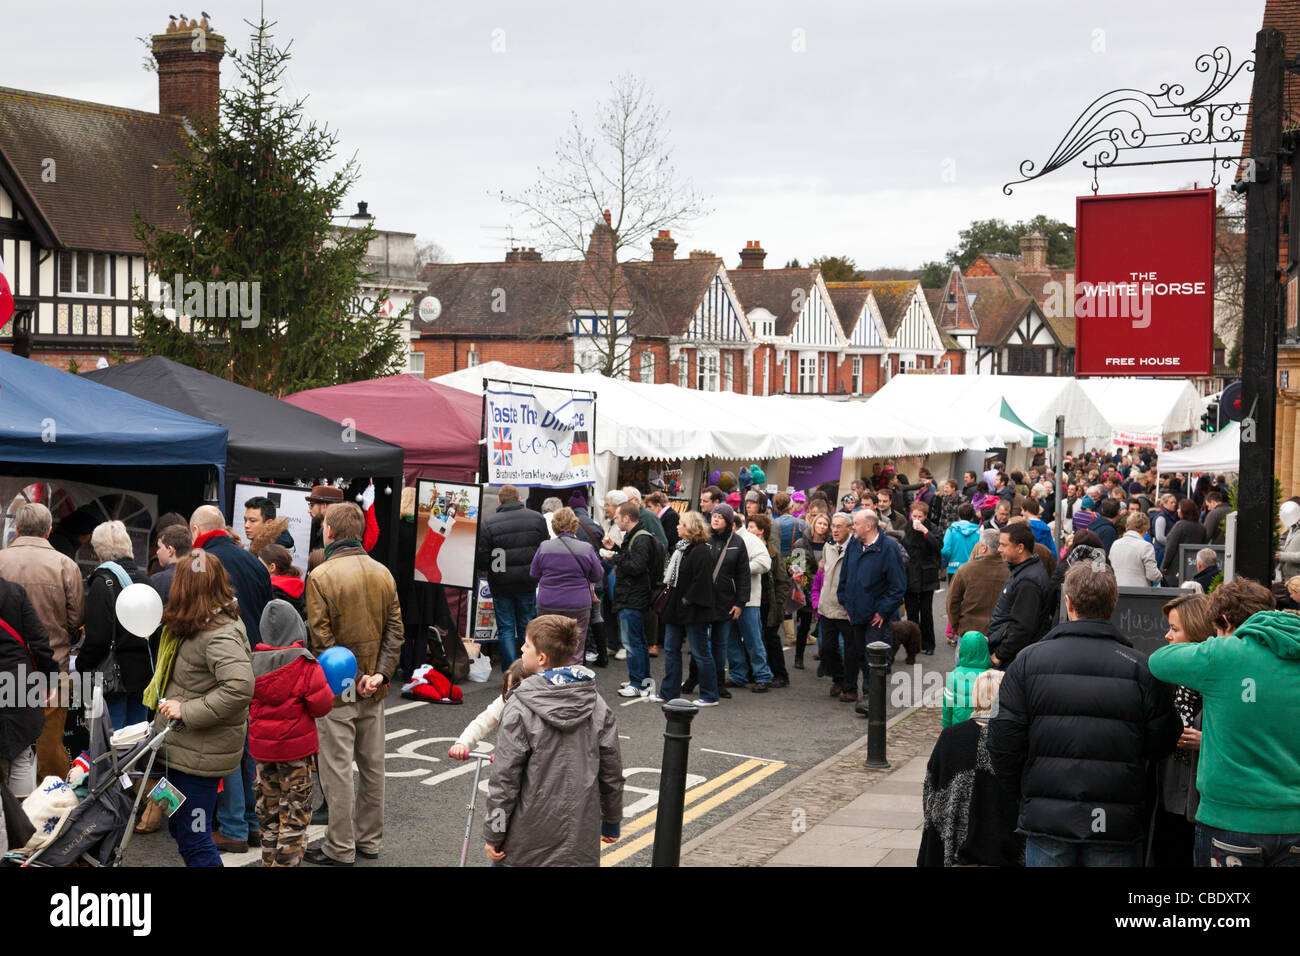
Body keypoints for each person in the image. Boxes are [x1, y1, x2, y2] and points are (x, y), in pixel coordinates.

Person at [988, 561, 1182, 867]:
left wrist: (1026, 792)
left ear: (1068, 602)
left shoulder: (1028, 661)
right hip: (1115, 818)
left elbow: (1002, 741)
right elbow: (1163, 739)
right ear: (1113, 603)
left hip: (1048, 816)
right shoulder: (1141, 668)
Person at [1148, 578, 1300, 867]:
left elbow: (1159, 661)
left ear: (1226, 622)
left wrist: (1217, 644)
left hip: (1231, 820)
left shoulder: (1223, 655)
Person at [303, 502, 405, 866]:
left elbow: (321, 638)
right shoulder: (383, 573)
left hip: (338, 687)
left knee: (337, 769)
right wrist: (379, 675)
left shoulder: (321, 576)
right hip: (375, 685)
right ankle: (369, 841)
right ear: (359, 532)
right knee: (373, 766)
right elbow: (396, 631)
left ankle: (340, 847)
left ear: (329, 531)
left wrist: (356, 678)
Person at [483, 615, 624, 866]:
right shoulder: (596, 703)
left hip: (524, 840)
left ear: (541, 658)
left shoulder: (519, 705)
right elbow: (611, 770)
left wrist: (494, 832)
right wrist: (611, 821)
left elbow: (504, 778)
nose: (521, 649)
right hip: (579, 838)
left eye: (526, 645)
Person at [151, 551, 255, 867]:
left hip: (200, 755)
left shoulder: (218, 633)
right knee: (181, 831)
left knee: (196, 842)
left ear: (184, 587)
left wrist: (188, 710)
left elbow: (240, 687)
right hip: (182, 750)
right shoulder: (196, 624)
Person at [191, 505, 272, 849]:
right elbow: (267, 607)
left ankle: (234, 826)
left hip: (221, 659)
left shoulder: (200, 560)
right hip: (256, 655)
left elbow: (193, 609)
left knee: (227, 745)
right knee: (247, 744)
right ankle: (252, 822)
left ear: (196, 530)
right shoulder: (253, 559)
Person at [0, 502, 84, 782]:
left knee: (7, 750)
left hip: (5, 669)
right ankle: (48, 813)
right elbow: (76, 620)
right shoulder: (65, 565)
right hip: (52, 668)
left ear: (18, 529)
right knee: (48, 749)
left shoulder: (1, 560)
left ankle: (12, 814)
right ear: (49, 530)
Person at [249, 599, 334, 867]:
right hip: (296, 755)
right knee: (294, 815)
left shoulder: (252, 664)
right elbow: (321, 706)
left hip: (263, 753)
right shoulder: (306, 665)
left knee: (269, 813)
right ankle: (285, 864)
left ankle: (268, 861)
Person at [919, 669, 1024, 867]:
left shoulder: (951, 736)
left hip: (956, 845)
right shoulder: (1017, 737)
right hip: (1006, 845)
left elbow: (931, 791)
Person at [1149, 593, 1216, 868]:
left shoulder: (1222, 684)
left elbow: (1249, 740)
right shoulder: (1166, 679)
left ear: (1198, 632)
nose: (1167, 636)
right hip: (1166, 801)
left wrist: (1208, 742)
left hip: (1206, 807)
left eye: (1175, 629)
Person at [80, 520, 153, 730]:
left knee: (111, 747)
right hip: (143, 676)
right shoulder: (145, 580)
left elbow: (97, 639)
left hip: (112, 680)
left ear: (99, 552)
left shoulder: (103, 583)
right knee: (136, 746)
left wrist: (83, 665)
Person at [837, 509, 906, 713]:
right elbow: (845, 577)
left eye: (856, 524)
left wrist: (883, 612)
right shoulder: (854, 546)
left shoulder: (889, 548)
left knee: (874, 659)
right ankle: (866, 694)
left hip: (877, 617)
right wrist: (846, 603)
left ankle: (871, 699)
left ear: (869, 526)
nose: (852, 528)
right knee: (860, 655)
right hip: (855, 612)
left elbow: (898, 586)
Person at [476, 485, 548, 669]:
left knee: (506, 627)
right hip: (527, 581)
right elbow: (544, 549)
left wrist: (490, 570)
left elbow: (483, 558)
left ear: (499, 501)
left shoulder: (489, 524)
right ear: (518, 499)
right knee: (527, 625)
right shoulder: (537, 519)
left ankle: (511, 670)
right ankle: (529, 665)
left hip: (501, 583)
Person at [0, 574, 56, 801]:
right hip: (18, 682)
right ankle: (20, 824)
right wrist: (48, 679)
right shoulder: (13, 593)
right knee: (21, 754)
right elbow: (39, 640)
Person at [658, 512, 722, 705]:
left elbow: (701, 582)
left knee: (700, 652)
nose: (677, 527)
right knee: (671, 649)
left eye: (681, 524)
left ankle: (710, 695)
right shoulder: (680, 548)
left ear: (690, 528)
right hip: (676, 609)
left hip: (694, 610)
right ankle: (668, 692)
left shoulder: (701, 551)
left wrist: (686, 600)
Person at [530, 507, 603, 666]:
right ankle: (571, 684)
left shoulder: (544, 547)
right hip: (577, 603)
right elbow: (597, 574)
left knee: (547, 643)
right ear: (574, 525)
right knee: (575, 647)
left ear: (555, 526)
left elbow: (533, 574)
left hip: (548, 602)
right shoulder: (586, 548)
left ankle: (549, 682)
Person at [608, 501, 664, 698]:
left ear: (626, 518)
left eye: (617, 517)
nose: (615, 521)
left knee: (632, 642)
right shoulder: (637, 536)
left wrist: (614, 558)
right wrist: (616, 549)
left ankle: (638, 683)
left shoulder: (639, 539)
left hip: (632, 596)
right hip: (635, 595)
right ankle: (642, 680)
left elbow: (637, 566)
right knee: (638, 641)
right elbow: (634, 561)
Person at [694, 504, 749, 700]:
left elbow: (744, 575)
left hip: (725, 601)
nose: (715, 519)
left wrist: (740, 603)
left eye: (720, 517)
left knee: (720, 644)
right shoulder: (704, 538)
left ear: (728, 521)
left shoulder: (738, 543)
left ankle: (718, 682)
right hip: (703, 599)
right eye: (713, 516)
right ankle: (694, 677)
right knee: (699, 641)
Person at [985, 523, 1053, 669]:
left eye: (1004, 545)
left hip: (1013, 660)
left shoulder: (1028, 581)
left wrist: (999, 655)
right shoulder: (1023, 572)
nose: (999, 549)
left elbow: (1022, 627)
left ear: (1020, 548)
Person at [727, 509, 774, 692]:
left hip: (749, 600)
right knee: (731, 640)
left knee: (753, 640)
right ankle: (738, 675)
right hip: (727, 599)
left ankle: (762, 675)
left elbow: (764, 563)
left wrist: (741, 569)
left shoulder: (750, 540)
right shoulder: (725, 539)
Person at [449, 660, 528, 759]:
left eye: (516, 688)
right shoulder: (506, 701)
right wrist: (462, 743)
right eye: (508, 687)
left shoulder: (541, 707)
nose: (511, 693)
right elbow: (483, 721)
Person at [748, 514, 791, 688]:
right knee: (753, 638)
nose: (748, 530)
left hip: (769, 602)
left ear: (761, 531)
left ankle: (781, 674)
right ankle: (754, 672)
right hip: (753, 600)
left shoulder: (773, 553)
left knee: (771, 638)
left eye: (751, 527)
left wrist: (779, 602)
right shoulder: (748, 547)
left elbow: (782, 581)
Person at [812, 512, 853, 696]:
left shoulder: (856, 548)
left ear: (849, 529)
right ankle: (839, 678)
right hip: (827, 606)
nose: (835, 530)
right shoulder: (828, 545)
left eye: (839, 526)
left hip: (846, 609)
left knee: (851, 650)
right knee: (827, 648)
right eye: (833, 526)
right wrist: (818, 601)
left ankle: (850, 687)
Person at [946, 529, 1010, 642]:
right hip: (999, 633)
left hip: (969, 631)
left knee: (967, 659)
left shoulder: (965, 570)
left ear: (984, 548)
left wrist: (957, 627)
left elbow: (952, 602)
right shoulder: (1010, 572)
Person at [902, 501, 941, 655]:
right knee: (911, 612)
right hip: (910, 573)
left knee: (926, 612)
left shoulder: (932, 528)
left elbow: (938, 546)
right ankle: (914, 645)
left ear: (925, 516)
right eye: (914, 515)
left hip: (927, 574)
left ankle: (929, 644)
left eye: (919, 516)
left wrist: (925, 531)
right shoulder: (906, 527)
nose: (916, 519)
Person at [790, 513, 829, 667]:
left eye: (825, 524)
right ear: (814, 524)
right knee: (804, 623)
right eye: (819, 523)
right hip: (806, 586)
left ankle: (825, 659)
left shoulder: (830, 543)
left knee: (825, 624)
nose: (822, 526)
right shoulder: (801, 542)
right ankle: (798, 657)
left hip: (825, 587)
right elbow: (795, 565)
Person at [942, 630, 992, 728]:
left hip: (959, 727)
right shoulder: (991, 675)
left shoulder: (954, 675)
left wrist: (946, 726)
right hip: (983, 728)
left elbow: (947, 705)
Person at [1160, 498, 1208, 586]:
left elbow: (1171, 547)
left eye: (1179, 508)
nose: (1177, 510)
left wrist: (1164, 566)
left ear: (1184, 511)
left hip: (1176, 570)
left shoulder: (1180, 525)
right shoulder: (1202, 528)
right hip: (1193, 568)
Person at [1109, 512, 1162, 588]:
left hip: (1117, 590)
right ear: (1145, 528)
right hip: (1138, 593)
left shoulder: (1115, 544)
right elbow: (1152, 575)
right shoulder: (1146, 546)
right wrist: (1160, 575)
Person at [256, 543, 306, 617]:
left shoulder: (270, 591)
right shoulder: (297, 585)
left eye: (259, 564)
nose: (256, 567)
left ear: (272, 567)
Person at [150, 523, 192, 602]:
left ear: (170, 550)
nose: (157, 552)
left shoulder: (158, 580)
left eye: (159, 547)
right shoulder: (200, 578)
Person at [940, 503, 980, 577]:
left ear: (959, 515)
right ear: (972, 517)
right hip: (972, 569)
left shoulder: (951, 530)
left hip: (954, 569)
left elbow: (945, 550)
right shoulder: (978, 531)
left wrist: (949, 560)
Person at [305, 485, 345, 554]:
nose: (309, 510)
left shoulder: (335, 535)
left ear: (324, 506)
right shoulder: (326, 530)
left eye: (312, 505)